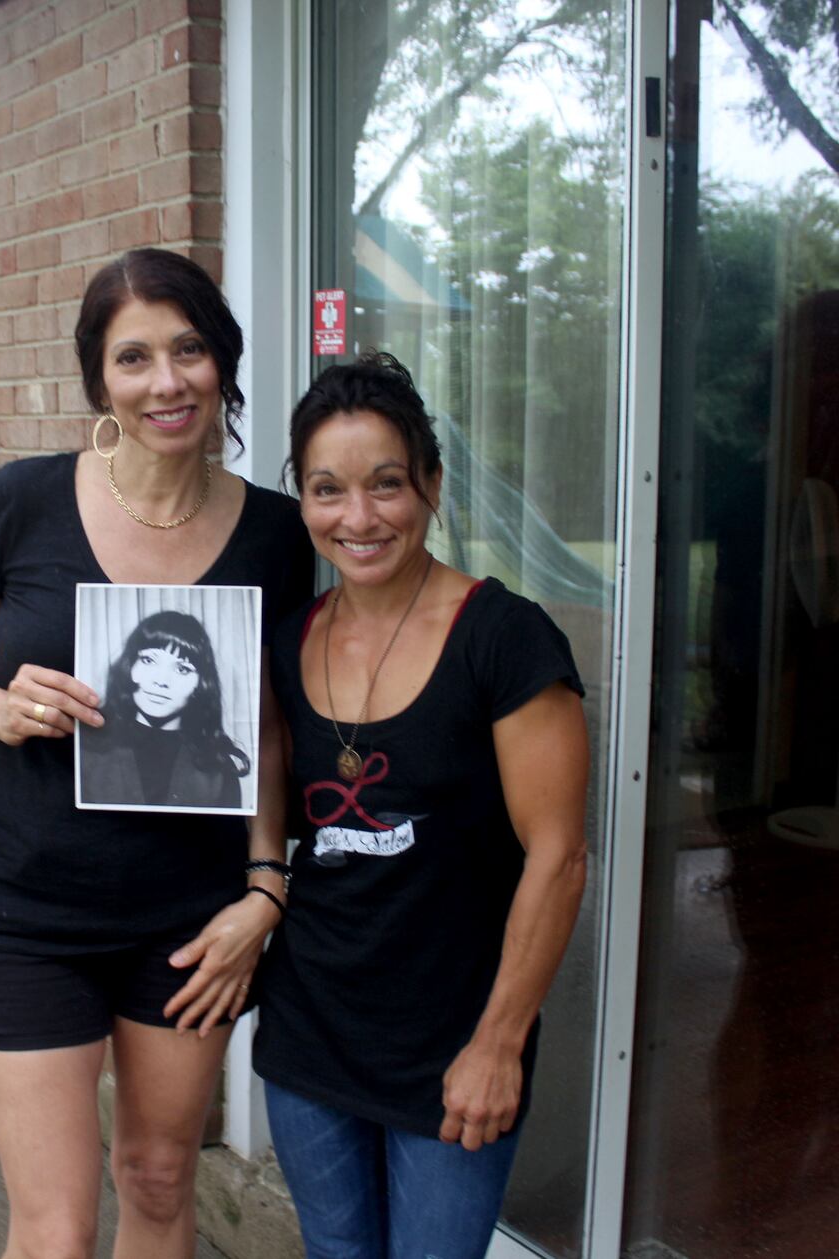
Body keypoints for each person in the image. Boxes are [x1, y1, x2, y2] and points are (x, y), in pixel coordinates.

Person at [0, 247, 305, 1259]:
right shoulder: (27, 500)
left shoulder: (275, 533)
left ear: (221, 359)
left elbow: (265, 723)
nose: (165, 381)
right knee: (55, 1225)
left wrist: (264, 884)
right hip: (24, 900)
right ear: (100, 381)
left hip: (186, 910)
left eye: (187, 349)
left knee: (162, 1177)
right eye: (134, 358)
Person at [254, 351, 589, 1259]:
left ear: (433, 486)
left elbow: (558, 858)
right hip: (311, 1032)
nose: (358, 518)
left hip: (453, 1043)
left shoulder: (505, 639)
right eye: (327, 490)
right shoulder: (289, 643)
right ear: (304, 500)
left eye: (387, 484)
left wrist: (499, 1042)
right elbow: (272, 815)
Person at [79, 609, 251, 809]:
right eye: (149, 660)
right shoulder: (86, 746)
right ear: (130, 668)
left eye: (182, 669)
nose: (161, 681)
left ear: (200, 685)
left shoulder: (218, 769)